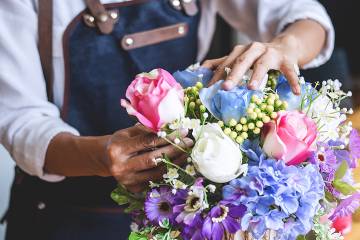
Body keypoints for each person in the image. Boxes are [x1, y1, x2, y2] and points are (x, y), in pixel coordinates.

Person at [0, 0, 333, 239]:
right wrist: (101, 156)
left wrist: (286, 46)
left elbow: (305, 17)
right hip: (67, 217)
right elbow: (19, 119)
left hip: (183, 218)